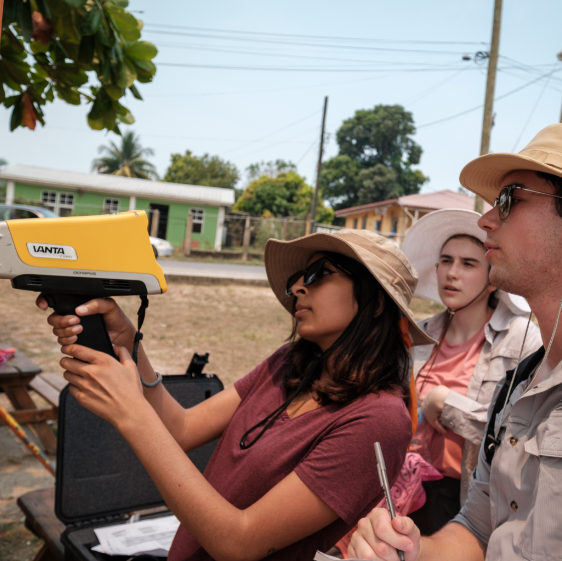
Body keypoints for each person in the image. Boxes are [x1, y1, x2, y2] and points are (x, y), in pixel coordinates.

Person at [37, 229, 434, 561]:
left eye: (319, 274)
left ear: (376, 302)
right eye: (299, 276)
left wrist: (131, 414)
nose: (298, 286)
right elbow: (182, 427)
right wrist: (127, 343)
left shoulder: (378, 420)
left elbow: (239, 541)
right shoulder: (290, 363)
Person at [347, 122, 562, 561]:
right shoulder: (518, 387)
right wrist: (411, 549)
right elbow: (480, 529)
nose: (487, 219)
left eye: (510, 199)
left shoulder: (515, 349)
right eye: (446, 261)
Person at [400, 209, 541, 535]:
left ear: (493, 278)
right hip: (406, 487)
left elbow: (521, 432)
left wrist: (446, 403)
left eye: (468, 263)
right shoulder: (417, 335)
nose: (452, 273)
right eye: (445, 261)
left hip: (468, 498)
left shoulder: (522, 339)